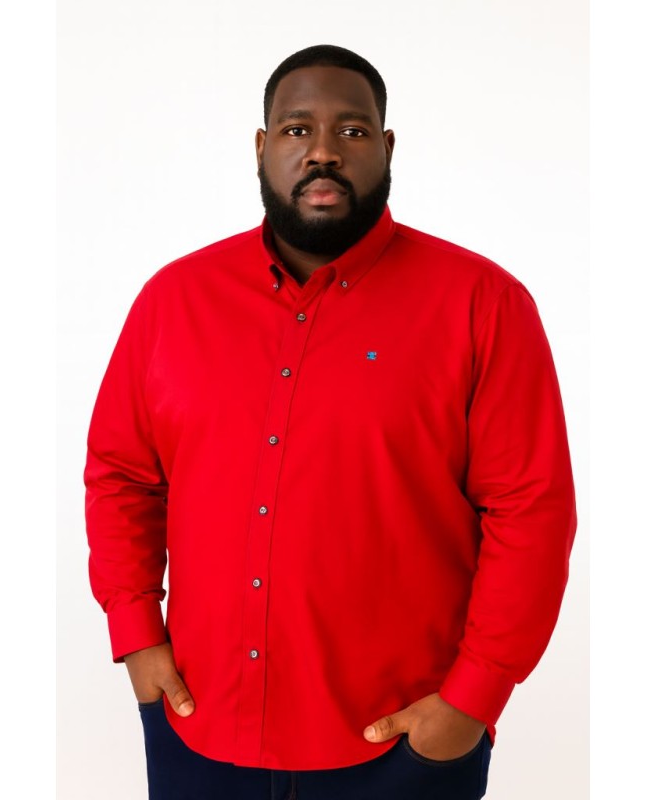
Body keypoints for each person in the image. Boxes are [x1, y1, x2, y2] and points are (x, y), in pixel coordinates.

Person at [84, 44, 577, 800]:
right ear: (261, 146)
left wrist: (471, 701)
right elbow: (122, 475)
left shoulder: (483, 304)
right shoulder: (172, 302)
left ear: (387, 147)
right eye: (296, 130)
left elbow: (530, 511)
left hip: (403, 746)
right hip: (198, 729)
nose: (322, 152)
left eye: (351, 131)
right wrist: (136, 634)